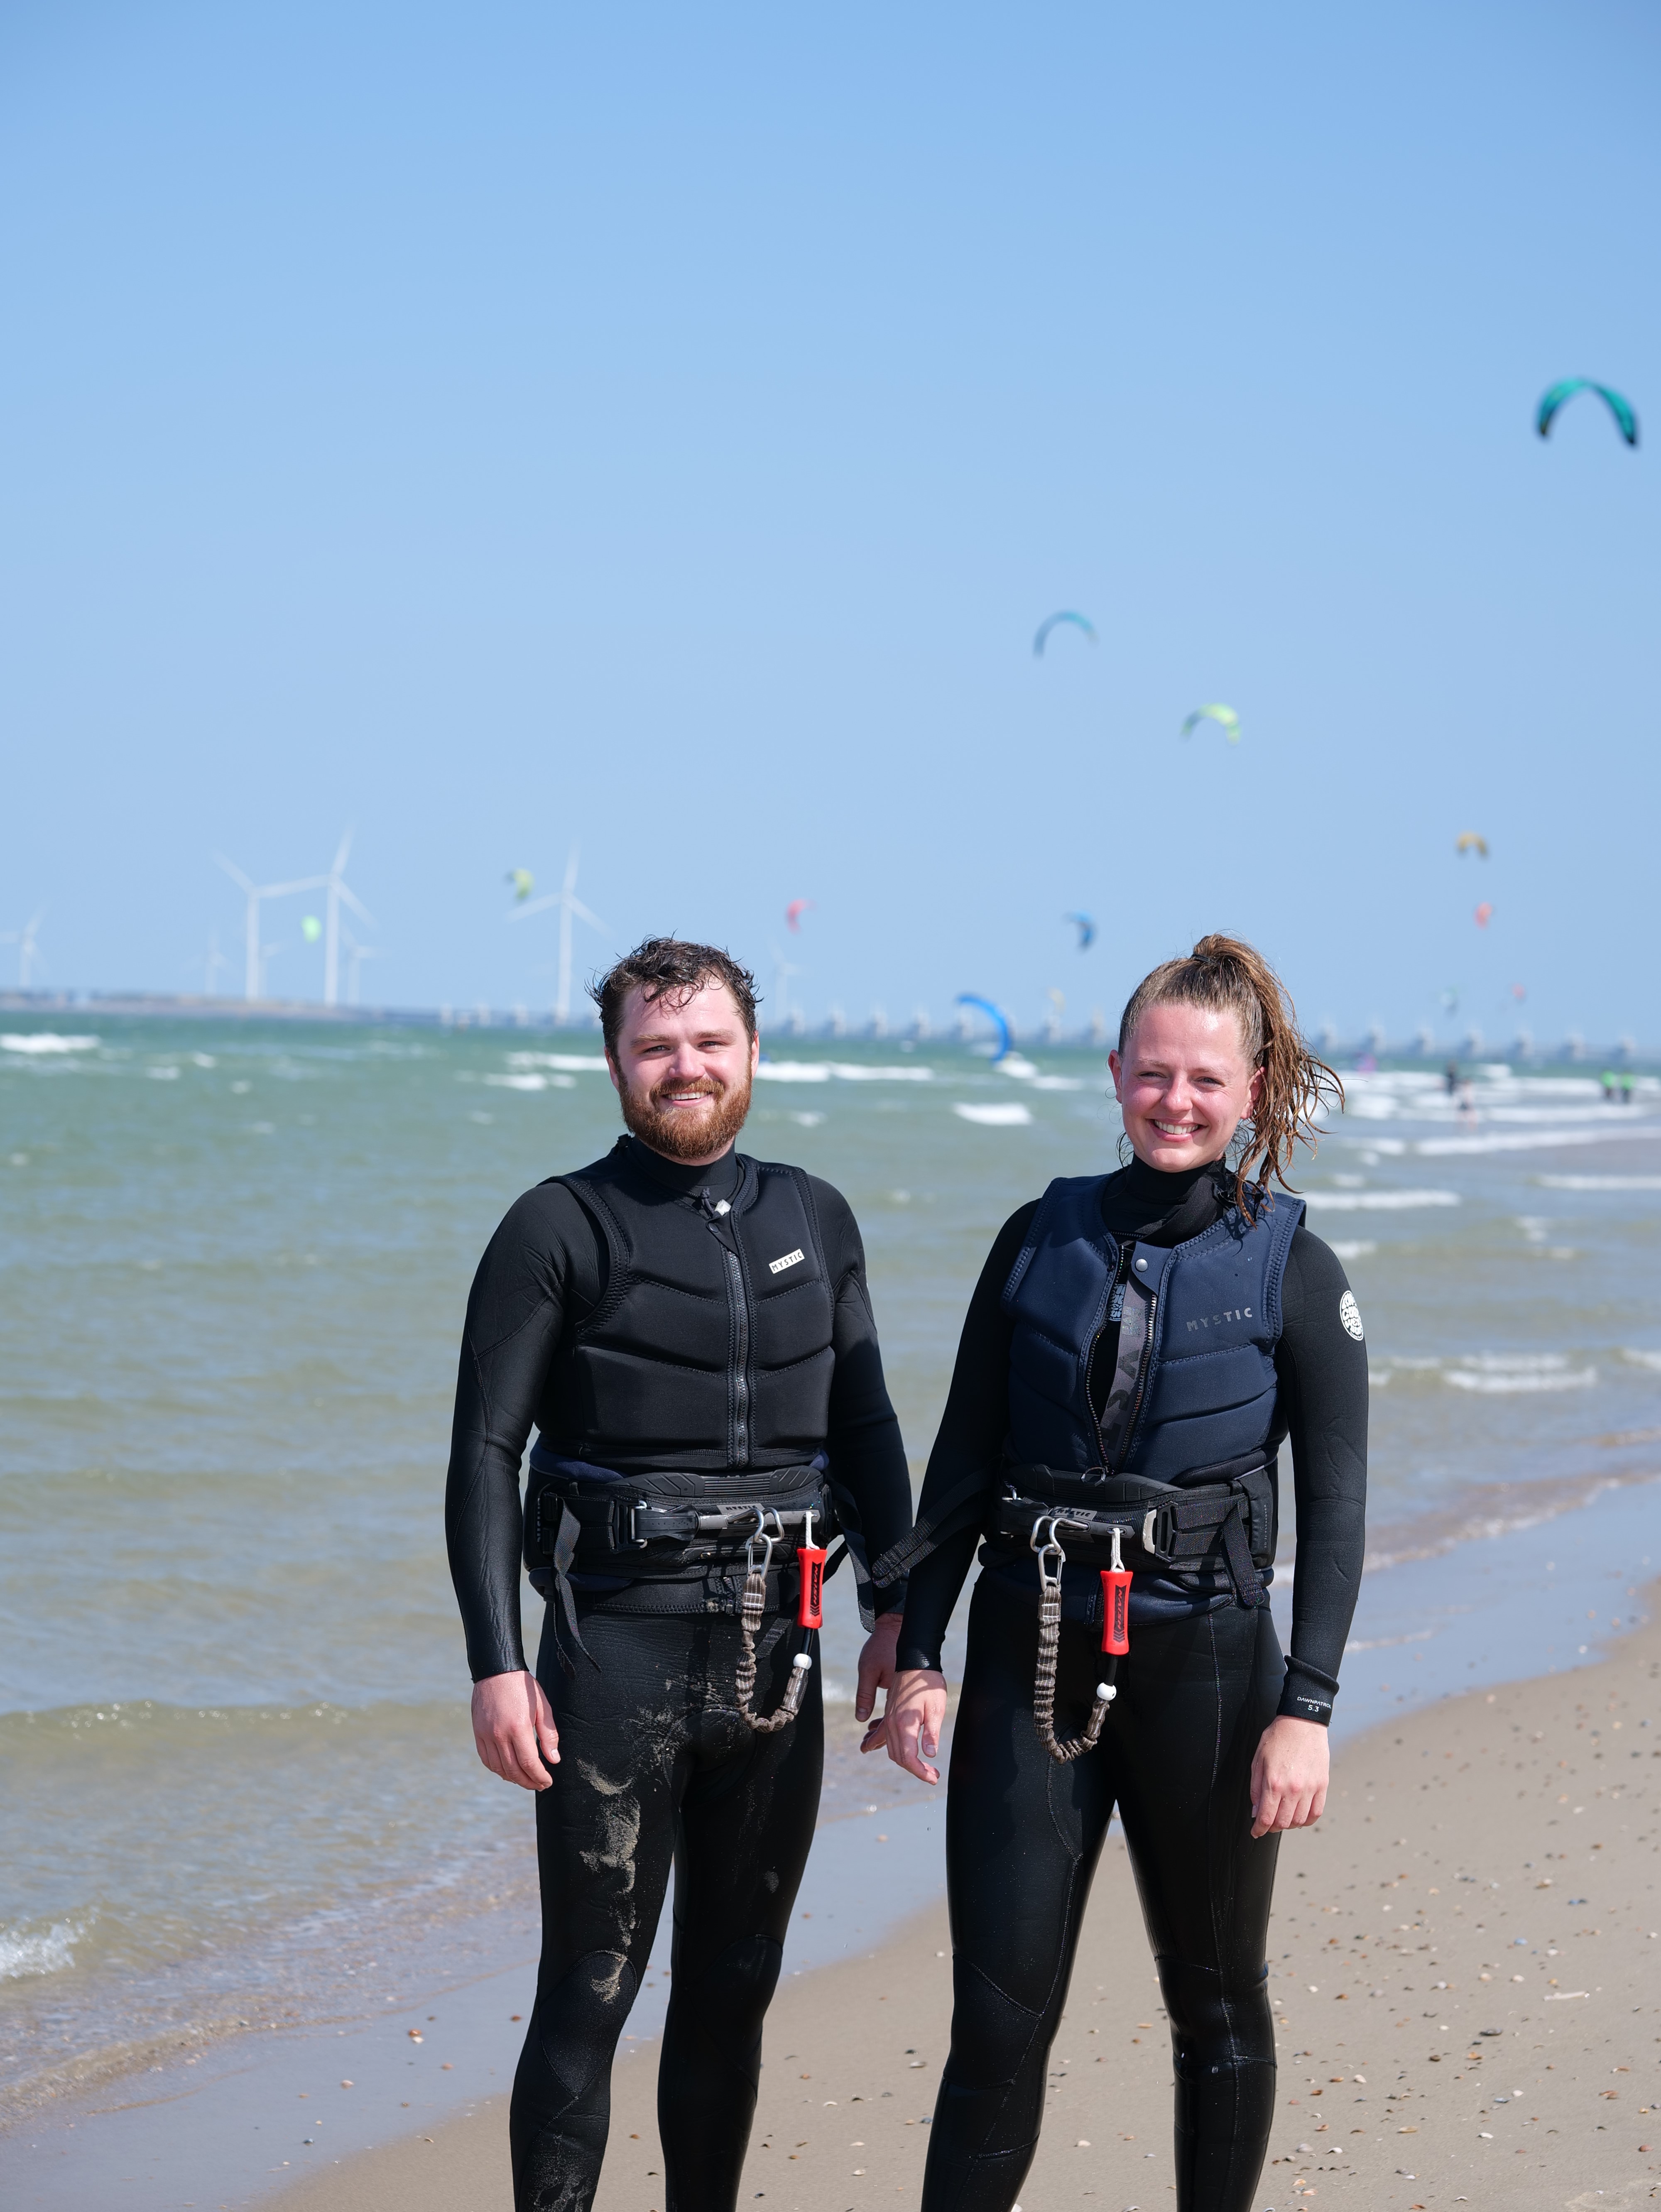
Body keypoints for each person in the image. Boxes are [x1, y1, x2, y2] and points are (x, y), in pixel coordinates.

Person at [868, 935, 1368, 2212]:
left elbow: (1342, 1504)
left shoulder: (1298, 1269)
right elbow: (964, 1459)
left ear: (1252, 1087)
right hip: (1027, 1659)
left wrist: (1306, 1711)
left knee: (1213, 2003)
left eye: (1205, 1080)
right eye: (1154, 1075)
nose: (1177, 1102)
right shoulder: (1040, 1239)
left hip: (1207, 1660)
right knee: (997, 2018)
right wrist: (920, 1654)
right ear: (1115, 1073)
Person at [446, 938, 914, 2212]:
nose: (685, 1067)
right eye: (657, 1046)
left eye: (709, 1042)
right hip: (614, 1656)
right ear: (615, 1063)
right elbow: (486, 1453)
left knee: (733, 1980)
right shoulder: (558, 1225)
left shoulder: (815, 1215)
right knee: (591, 1985)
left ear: (753, 1052)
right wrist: (497, 1662)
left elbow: (867, 1432)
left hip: (779, 1648)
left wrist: (902, 1619)